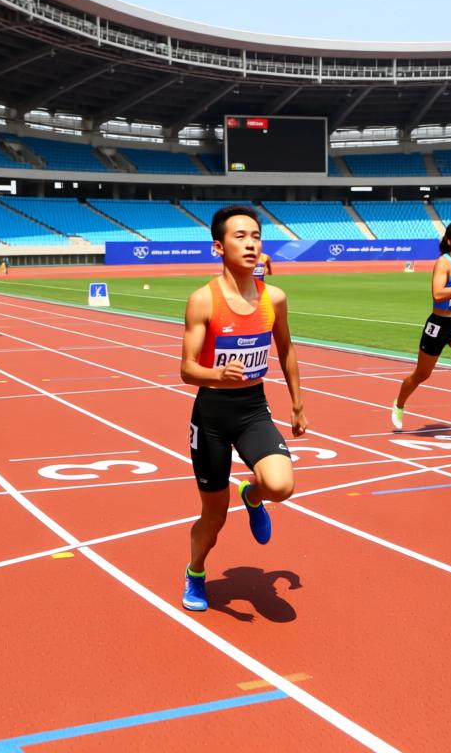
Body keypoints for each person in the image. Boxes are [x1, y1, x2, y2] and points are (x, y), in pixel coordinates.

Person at [178, 205, 307, 612]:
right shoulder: (203, 300)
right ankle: (196, 572)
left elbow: (286, 350)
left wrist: (298, 404)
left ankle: (252, 494)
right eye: (240, 236)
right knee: (213, 518)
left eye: (256, 236)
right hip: (212, 415)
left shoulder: (275, 298)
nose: (251, 243)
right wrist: (217, 375)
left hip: (253, 408)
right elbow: (186, 369)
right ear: (218, 246)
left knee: (282, 486)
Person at [391, 221, 451, 432]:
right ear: (449, 241)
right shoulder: (443, 263)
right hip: (438, 325)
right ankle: (399, 404)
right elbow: (438, 294)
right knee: (422, 374)